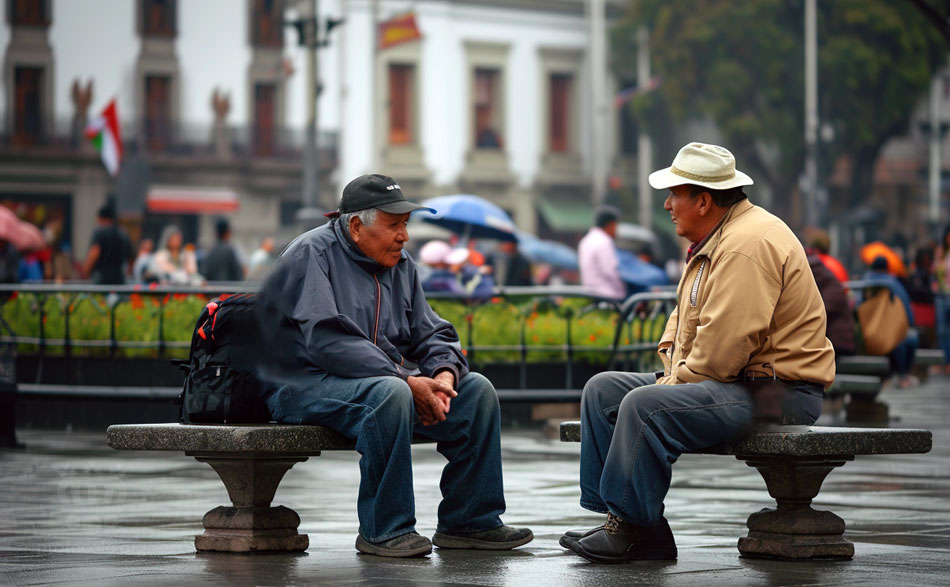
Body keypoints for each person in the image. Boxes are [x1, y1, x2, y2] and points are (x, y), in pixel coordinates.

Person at [562, 142, 835, 564]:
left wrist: (669, 384)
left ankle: (632, 528)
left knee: (643, 406)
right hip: (737, 383)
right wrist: (671, 378)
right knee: (603, 391)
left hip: (778, 392)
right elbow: (683, 328)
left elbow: (722, 353)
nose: (668, 205)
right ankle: (633, 523)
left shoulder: (747, 244)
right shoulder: (720, 238)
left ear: (704, 201)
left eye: (674, 195)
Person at [256, 173, 532, 558]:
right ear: (355, 226)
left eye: (405, 224)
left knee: (476, 393)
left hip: (375, 383)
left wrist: (443, 374)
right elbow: (327, 342)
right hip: (300, 385)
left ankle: (471, 521)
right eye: (393, 225)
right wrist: (406, 379)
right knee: (389, 393)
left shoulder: (400, 264)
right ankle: (384, 530)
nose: (404, 236)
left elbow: (433, 332)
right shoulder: (311, 254)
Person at [864, 255, 919, 388]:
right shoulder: (893, 283)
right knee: (909, 338)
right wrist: (910, 323)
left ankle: (896, 376)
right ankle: (902, 375)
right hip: (888, 332)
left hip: (867, 332)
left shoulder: (864, 281)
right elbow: (906, 308)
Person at [808, 252, 855, 355]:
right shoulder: (831, 267)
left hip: (837, 341)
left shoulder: (823, 276)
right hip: (836, 339)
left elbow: (825, 310)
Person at [578, 205, 625, 299]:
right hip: (607, 295)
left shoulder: (586, 240)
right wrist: (622, 290)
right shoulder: (604, 241)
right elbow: (610, 271)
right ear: (611, 224)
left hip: (590, 293)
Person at [83, 200, 132, 285]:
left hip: (101, 278)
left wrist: (85, 273)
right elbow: (131, 258)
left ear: (101, 218)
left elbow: (94, 253)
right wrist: (128, 274)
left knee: (99, 298)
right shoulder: (123, 234)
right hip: (119, 278)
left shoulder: (99, 232)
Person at [201, 217, 244, 282]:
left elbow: (205, 274)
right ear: (227, 232)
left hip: (213, 290)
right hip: (228, 290)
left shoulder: (211, 251)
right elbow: (238, 274)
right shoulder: (230, 250)